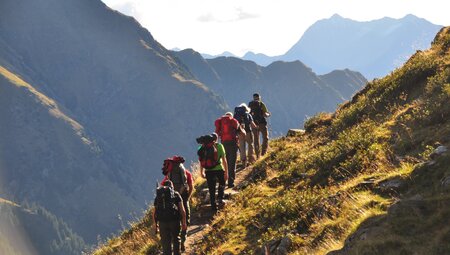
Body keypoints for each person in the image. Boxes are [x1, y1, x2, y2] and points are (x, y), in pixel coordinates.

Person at [161, 156, 193, 252]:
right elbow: (191, 187)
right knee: (185, 218)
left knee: (174, 221)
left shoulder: (169, 175)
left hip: (172, 202)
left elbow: (162, 186)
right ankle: (182, 241)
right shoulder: (187, 173)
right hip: (183, 197)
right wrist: (187, 197)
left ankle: (172, 244)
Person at [153, 180, 187, 255]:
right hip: (174, 220)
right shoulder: (176, 194)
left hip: (162, 222)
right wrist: (184, 222)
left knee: (165, 242)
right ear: (172, 186)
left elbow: (154, 213)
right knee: (176, 239)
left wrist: (156, 225)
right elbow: (182, 210)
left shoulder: (158, 197)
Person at [197, 133, 228, 211]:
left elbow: (201, 161)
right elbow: (224, 160)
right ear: (216, 139)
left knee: (211, 188)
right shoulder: (220, 146)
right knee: (222, 183)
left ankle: (213, 206)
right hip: (219, 169)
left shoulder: (202, 147)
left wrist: (201, 172)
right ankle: (220, 198)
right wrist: (226, 172)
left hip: (208, 170)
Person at [214, 112, 239, 188]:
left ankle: (223, 181)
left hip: (224, 144)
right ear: (231, 116)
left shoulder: (221, 122)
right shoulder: (233, 121)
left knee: (225, 163)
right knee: (232, 163)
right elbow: (240, 130)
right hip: (233, 144)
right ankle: (231, 182)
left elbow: (216, 134)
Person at [249, 93, 271, 158]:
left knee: (256, 139)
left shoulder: (250, 105)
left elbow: (249, 115)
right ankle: (263, 153)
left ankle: (257, 155)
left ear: (253, 97)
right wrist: (269, 114)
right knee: (265, 137)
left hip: (254, 124)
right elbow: (265, 114)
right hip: (262, 123)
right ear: (259, 97)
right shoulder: (261, 104)